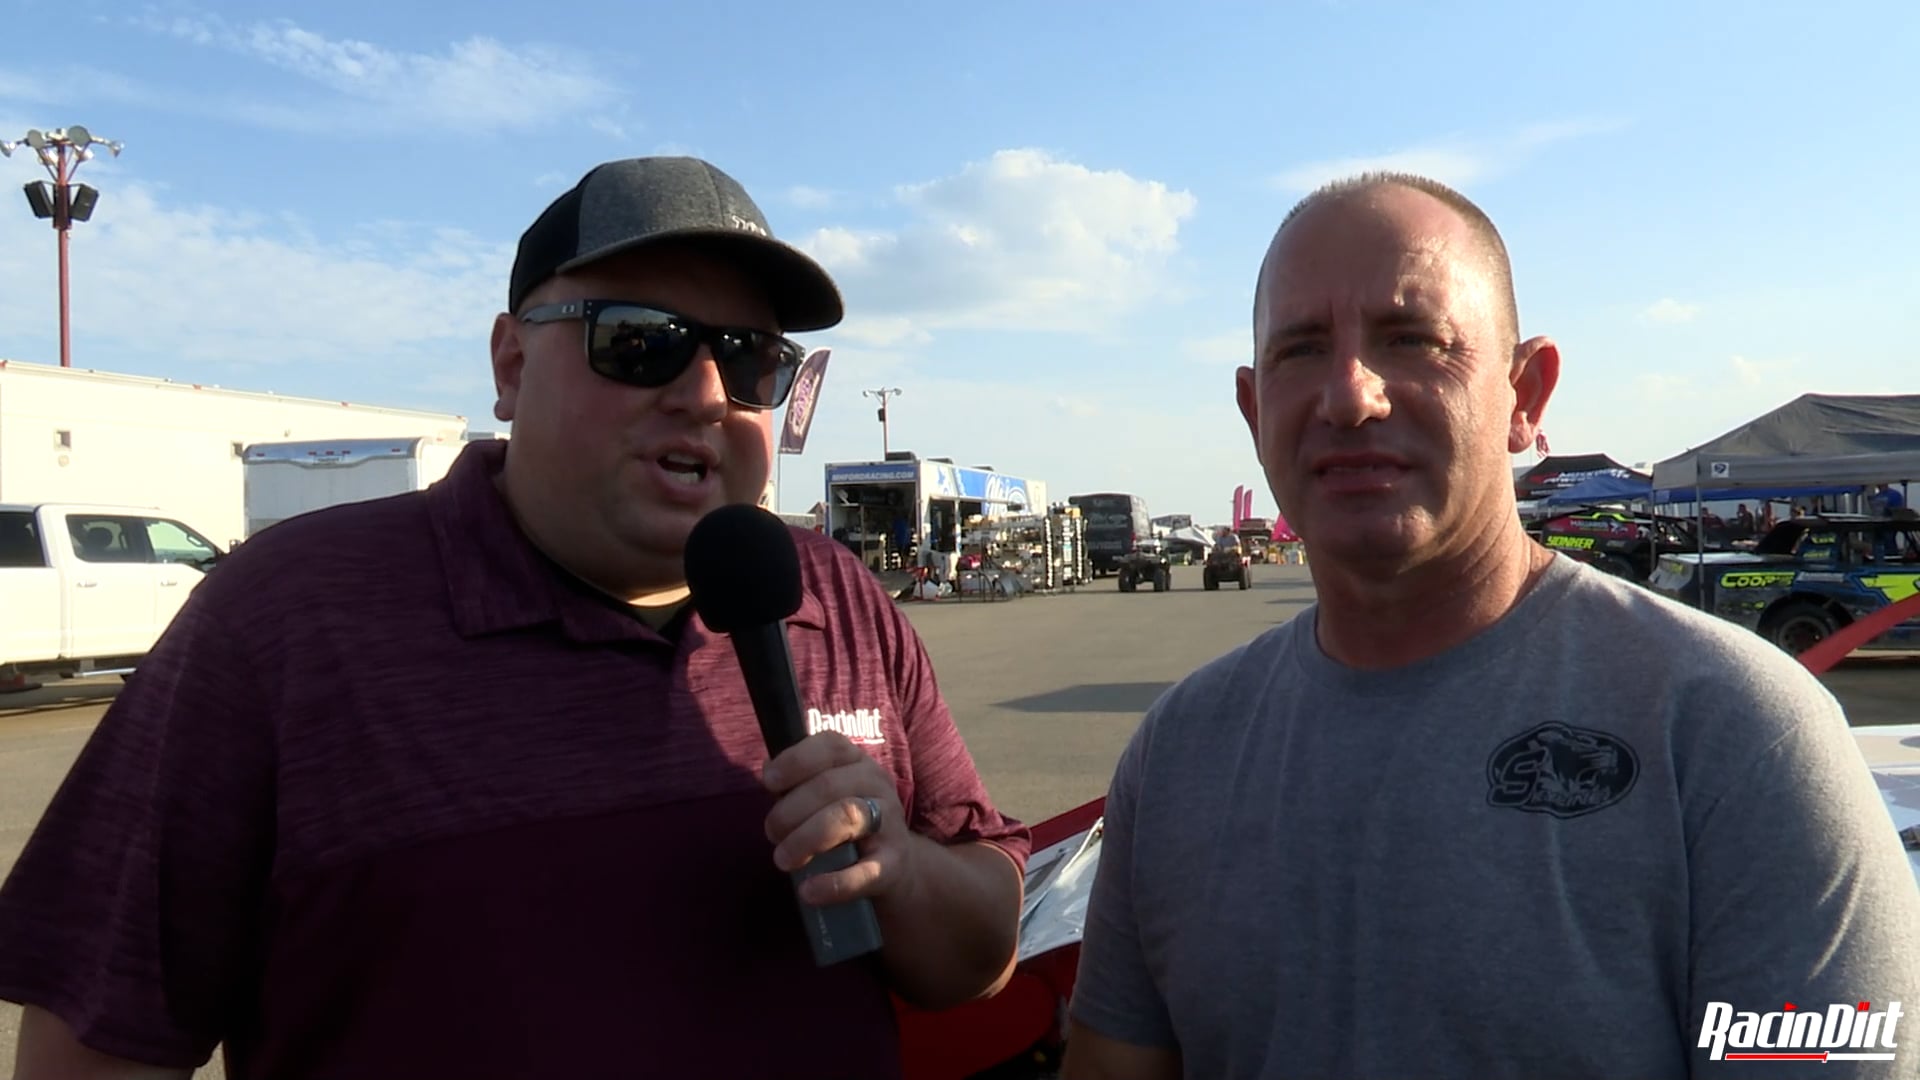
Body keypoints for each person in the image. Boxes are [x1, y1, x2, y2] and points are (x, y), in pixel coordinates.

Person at [0, 156, 1030, 1080]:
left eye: (751, 357)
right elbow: (95, 1044)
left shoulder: (833, 596)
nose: (708, 393)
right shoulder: (287, 621)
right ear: (510, 364)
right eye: (643, 342)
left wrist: (898, 868)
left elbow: (979, 956)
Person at [1063, 173, 1919, 1079]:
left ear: (1526, 394)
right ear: (1252, 409)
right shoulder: (1178, 757)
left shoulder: (1739, 735)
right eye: (1301, 351)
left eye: (1414, 340)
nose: (1350, 398)